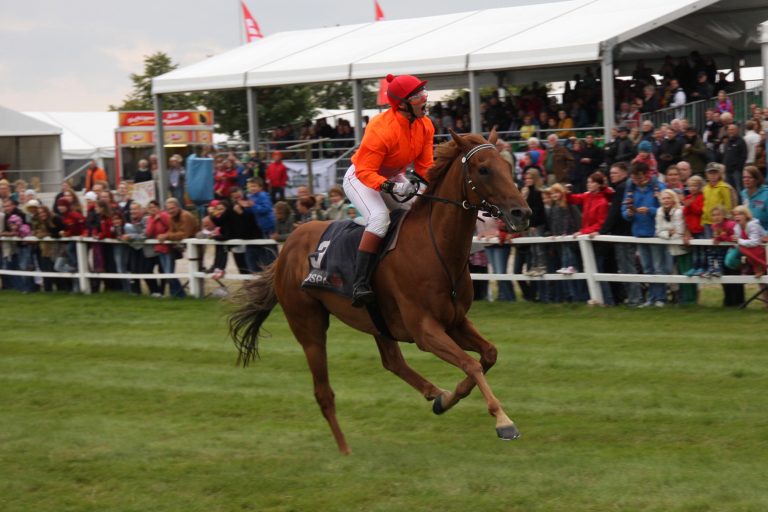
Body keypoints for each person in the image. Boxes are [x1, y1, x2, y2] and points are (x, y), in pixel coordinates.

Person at [342, 73, 434, 306]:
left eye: (423, 93)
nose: (424, 98)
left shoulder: (425, 125)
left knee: (424, 211)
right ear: (402, 104)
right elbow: (365, 172)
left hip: (392, 176)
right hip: (360, 177)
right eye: (417, 96)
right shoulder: (381, 127)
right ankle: (359, 284)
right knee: (380, 218)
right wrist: (392, 187)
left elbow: (426, 167)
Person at [622, 162, 667, 307]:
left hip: (654, 232)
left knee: (658, 266)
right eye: (634, 178)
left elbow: (665, 208)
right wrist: (628, 213)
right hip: (639, 232)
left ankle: (661, 298)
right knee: (647, 267)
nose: (636, 180)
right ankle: (652, 297)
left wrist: (650, 210)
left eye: (639, 177)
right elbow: (624, 210)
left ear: (646, 174)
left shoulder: (658, 187)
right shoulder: (631, 190)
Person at [731, 205, 767, 278]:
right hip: (751, 252)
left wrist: (738, 240)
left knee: (742, 248)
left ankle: (759, 267)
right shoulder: (736, 227)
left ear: (746, 215)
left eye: (740, 214)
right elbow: (737, 243)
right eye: (735, 215)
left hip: (762, 250)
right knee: (733, 255)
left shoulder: (753, 225)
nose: (737, 216)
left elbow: (754, 242)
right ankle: (748, 266)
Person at [720, 124, 747, 195]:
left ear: (737, 130)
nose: (730, 131)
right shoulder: (728, 142)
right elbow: (725, 155)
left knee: (739, 189)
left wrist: (738, 168)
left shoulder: (741, 141)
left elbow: (744, 156)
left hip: (736, 171)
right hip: (727, 171)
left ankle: (741, 204)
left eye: (732, 130)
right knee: (729, 189)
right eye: (729, 130)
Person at [741, 166, 768, 230]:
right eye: (744, 177)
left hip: (764, 232)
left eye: (750, 177)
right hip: (749, 232)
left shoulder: (766, 194)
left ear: (757, 179)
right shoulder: (743, 193)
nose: (746, 180)